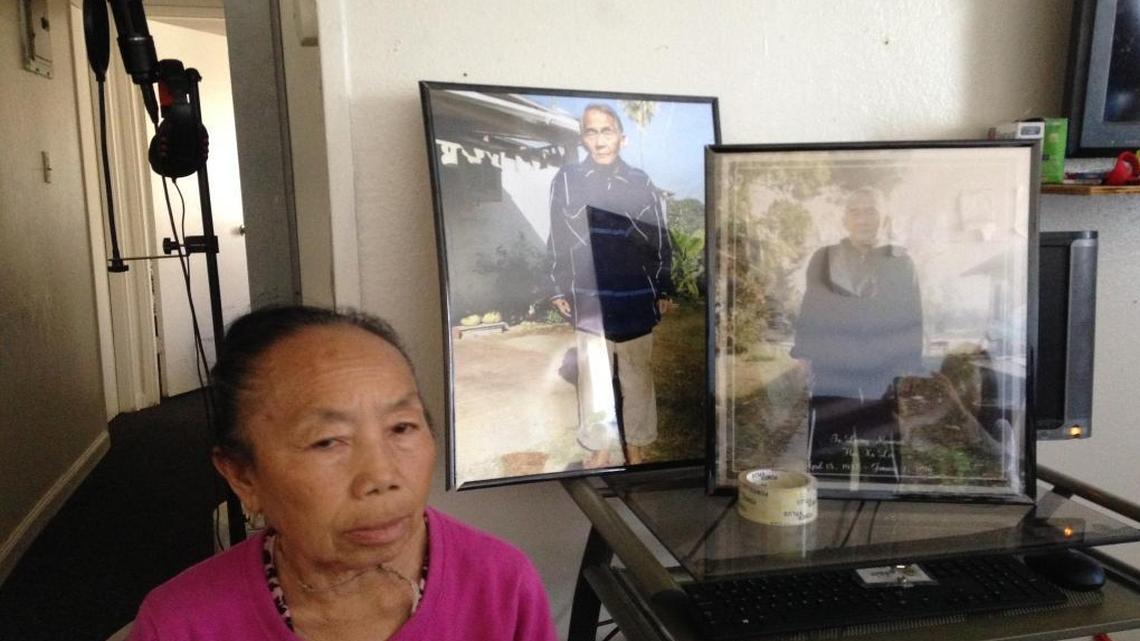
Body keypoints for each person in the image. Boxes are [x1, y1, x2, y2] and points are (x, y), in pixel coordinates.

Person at [126, 306, 558, 641]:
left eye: (402, 427)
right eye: (327, 441)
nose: (382, 476)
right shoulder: (181, 624)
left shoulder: (502, 586)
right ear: (243, 477)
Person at [547, 103, 673, 468]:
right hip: (590, 295)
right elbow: (557, 233)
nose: (599, 139)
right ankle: (600, 444)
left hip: (634, 293)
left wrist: (662, 286)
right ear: (583, 138)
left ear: (622, 137)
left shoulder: (640, 181)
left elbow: (658, 237)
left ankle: (637, 442)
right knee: (595, 376)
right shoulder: (567, 179)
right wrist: (557, 285)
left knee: (636, 375)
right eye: (591, 131)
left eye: (606, 130)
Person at [791, 187, 924, 483]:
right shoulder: (824, 258)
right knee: (829, 453)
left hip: (882, 372)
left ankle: (877, 516)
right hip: (832, 368)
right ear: (845, 219)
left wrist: (909, 367)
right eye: (855, 211)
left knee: (878, 453)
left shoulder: (900, 261)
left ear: (883, 217)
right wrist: (803, 358)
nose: (863, 219)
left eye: (871, 210)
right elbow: (811, 309)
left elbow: (911, 316)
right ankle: (827, 509)